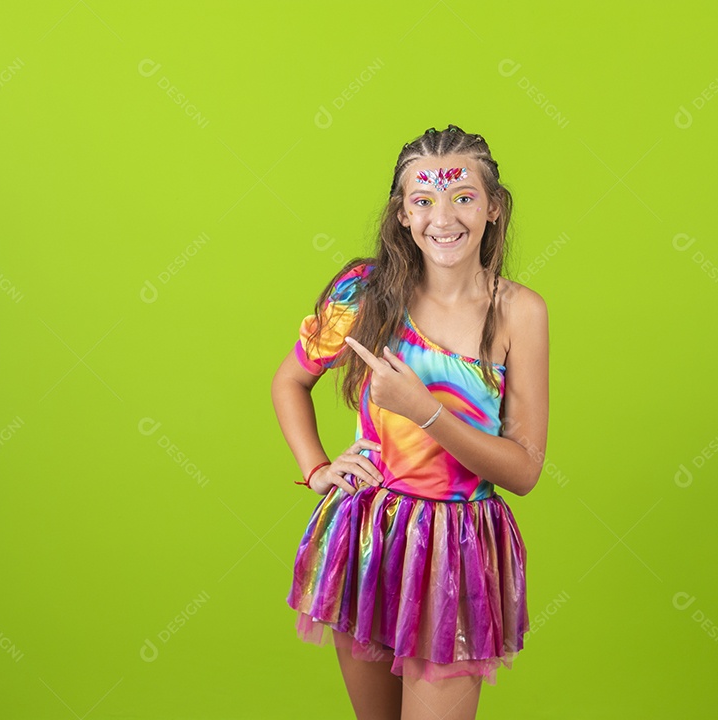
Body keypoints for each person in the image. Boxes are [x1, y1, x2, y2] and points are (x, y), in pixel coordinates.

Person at [271, 124, 549, 720]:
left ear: (493, 207)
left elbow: (524, 471)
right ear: (401, 212)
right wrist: (316, 468)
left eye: (463, 196)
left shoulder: (518, 313)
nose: (442, 217)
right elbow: (289, 381)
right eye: (422, 199)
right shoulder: (364, 292)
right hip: (368, 537)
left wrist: (425, 410)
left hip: (457, 548)